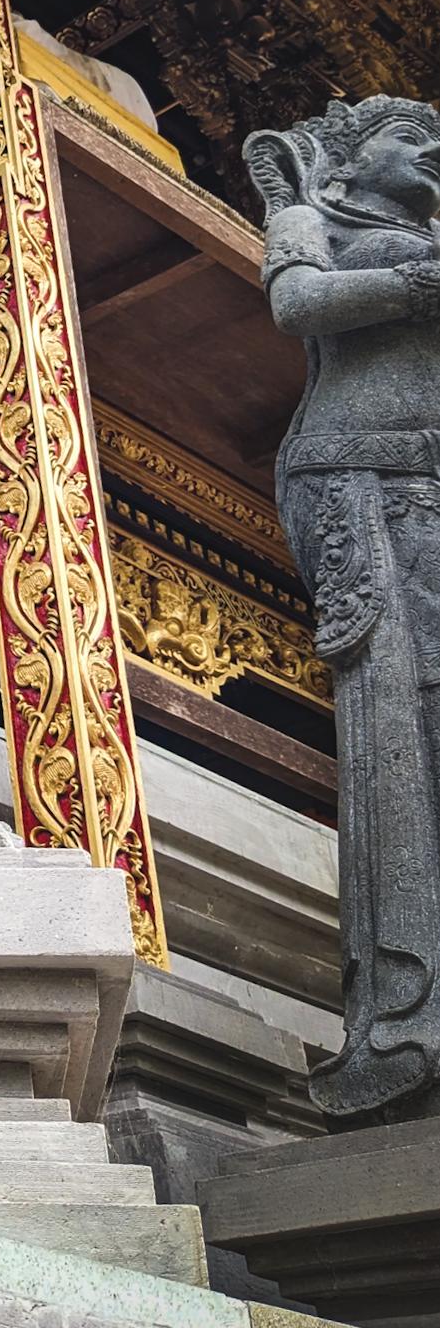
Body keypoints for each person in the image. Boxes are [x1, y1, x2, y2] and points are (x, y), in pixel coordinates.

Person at [248, 96, 440, 1119]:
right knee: (393, 724)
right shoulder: (311, 213)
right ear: (352, 158)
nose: (436, 151)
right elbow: (297, 303)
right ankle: (400, 1012)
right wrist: (420, 281)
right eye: (414, 136)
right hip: (355, 476)